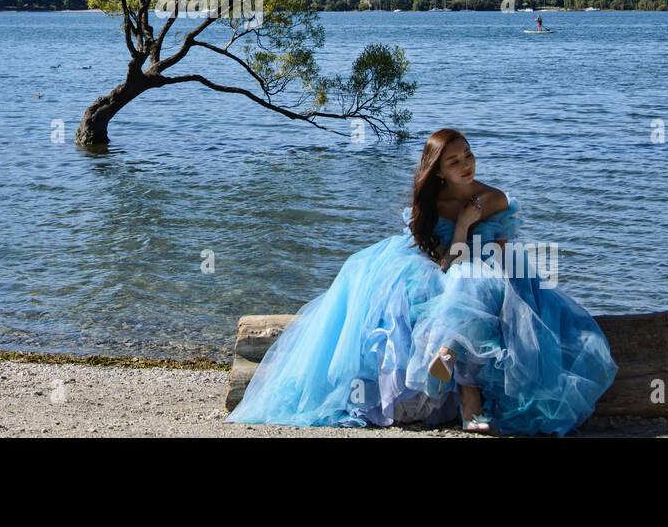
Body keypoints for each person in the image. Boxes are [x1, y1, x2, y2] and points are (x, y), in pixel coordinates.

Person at [226, 128, 618, 435]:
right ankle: (467, 398)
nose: (466, 166)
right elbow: (446, 262)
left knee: (476, 279)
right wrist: (462, 226)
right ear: (438, 172)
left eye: (468, 155)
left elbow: (499, 254)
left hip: (492, 271)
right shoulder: (429, 207)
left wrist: (471, 234)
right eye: (454, 162)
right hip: (444, 267)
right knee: (451, 280)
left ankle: (447, 356)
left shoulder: (495, 198)